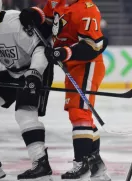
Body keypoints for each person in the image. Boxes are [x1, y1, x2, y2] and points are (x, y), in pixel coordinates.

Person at [18, 0, 110, 180]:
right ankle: (96, 164)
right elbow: (49, 24)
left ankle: (81, 163)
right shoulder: (55, 2)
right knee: (79, 114)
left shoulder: (86, 10)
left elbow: (95, 46)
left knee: (79, 113)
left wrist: (64, 52)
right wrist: (34, 15)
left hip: (88, 65)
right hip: (71, 67)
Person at [0, 0, 54, 180]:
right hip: (13, 72)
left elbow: (40, 49)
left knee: (24, 113)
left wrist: (34, 73)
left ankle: (41, 164)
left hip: (36, 71)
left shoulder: (15, 24)